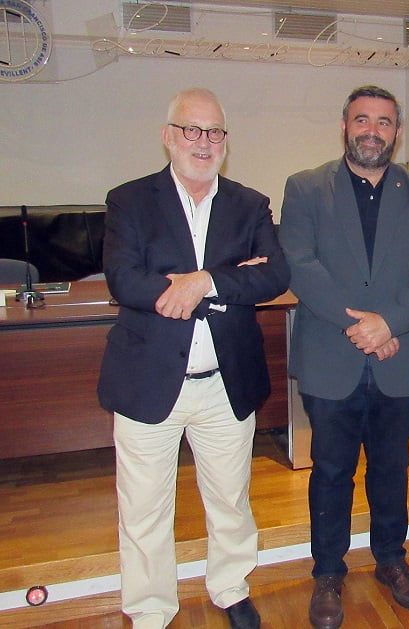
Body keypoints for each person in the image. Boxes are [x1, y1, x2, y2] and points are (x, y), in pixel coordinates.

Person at [97, 87, 290, 629]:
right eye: (192, 129)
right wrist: (227, 284)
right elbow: (124, 280)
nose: (203, 142)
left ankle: (231, 588)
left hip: (225, 383)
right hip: (148, 380)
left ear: (226, 141)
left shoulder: (249, 204)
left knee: (230, 500)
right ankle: (150, 609)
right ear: (168, 136)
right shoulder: (129, 201)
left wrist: (202, 280)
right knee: (143, 510)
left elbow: (274, 275)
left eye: (215, 132)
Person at [278, 85, 409, 629]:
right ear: (344, 126)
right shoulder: (305, 187)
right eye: (362, 120)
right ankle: (328, 572)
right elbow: (300, 265)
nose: (372, 131)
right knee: (331, 470)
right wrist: (366, 328)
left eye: (383, 122)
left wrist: (390, 324)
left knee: (392, 466)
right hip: (333, 354)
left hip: (399, 355)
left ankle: (391, 560)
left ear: (397, 131)